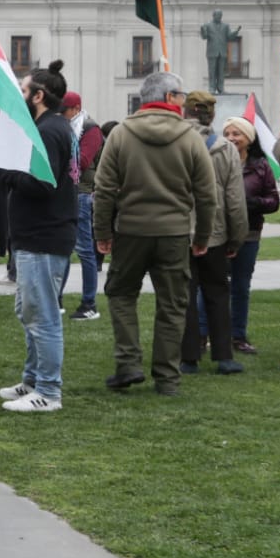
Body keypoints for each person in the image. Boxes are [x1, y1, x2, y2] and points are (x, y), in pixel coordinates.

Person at [94, 72, 217, 397]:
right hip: (174, 233)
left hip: (130, 231)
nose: (184, 100)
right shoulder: (190, 137)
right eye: (181, 94)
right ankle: (167, 378)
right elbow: (207, 195)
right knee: (173, 305)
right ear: (170, 97)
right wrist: (202, 236)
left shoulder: (121, 134)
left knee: (121, 294)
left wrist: (102, 232)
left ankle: (128, 364)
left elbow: (103, 190)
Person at [0, 62, 76, 413]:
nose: (20, 97)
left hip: (43, 237)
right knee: (29, 313)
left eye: (23, 91)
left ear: (39, 96)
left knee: (42, 318)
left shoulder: (49, 130)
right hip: (38, 236)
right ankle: (32, 381)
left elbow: (43, 184)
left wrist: (5, 172)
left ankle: (48, 391)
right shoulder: (53, 127)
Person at [178, 91, 248, 376]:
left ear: (185, 113)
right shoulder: (226, 149)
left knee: (184, 294)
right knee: (218, 293)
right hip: (216, 234)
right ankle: (224, 356)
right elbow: (235, 199)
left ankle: (189, 358)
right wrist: (237, 237)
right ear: (212, 115)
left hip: (180, 231)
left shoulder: (174, 144)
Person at [222, 117, 277, 356]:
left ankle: (238, 336)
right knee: (212, 286)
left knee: (241, 287)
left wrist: (253, 203)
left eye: (237, 134)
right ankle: (205, 336)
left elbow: (273, 201)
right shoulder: (217, 160)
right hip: (220, 234)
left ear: (249, 138)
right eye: (227, 134)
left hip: (249, 234)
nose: (231, 138)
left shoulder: (261, 166)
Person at [61, 92, 104, 320]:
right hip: (68, 192)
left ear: (76, 108)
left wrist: (59, 153)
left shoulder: (91, 129)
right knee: (63, 249)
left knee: (85, 250)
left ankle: (89, 304)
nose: (62, 115)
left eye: (65, 110)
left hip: (82, 194)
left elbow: (84, 161)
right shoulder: (69, 127)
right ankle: (57, 299)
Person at [199, 10, 239, 94]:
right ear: (213, 16)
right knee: (212, 71)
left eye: (221, 16)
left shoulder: (226, 26)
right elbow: (204, 37)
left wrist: (235, 32)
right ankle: (212, 88)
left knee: (221, 72)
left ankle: (221, 88)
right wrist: (202, 30)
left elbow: (229, 37)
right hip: (212, 52)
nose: (220, 17)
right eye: (218, 15)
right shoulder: (208, 25)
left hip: (222, 52)